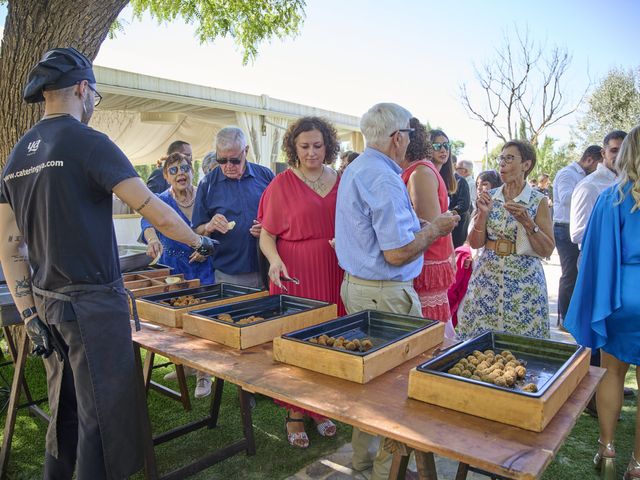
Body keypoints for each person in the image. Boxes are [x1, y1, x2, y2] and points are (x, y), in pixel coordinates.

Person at [0, 48, 216, 480]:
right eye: (94, 95)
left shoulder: (18, 155)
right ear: (83, 88)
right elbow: (152, 207)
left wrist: (28, 315)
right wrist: (197, 238)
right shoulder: (89, 143)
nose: (94, 103)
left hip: (46, 306)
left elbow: (8, 246)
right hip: (92, 306)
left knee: (66, 406)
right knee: (102, 414)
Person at [335, 103, 459, 480]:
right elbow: (396, 252)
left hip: (364, 289)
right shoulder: (383, 177)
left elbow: (381, 234)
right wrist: (435, 228)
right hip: (384, 293)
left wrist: (417, 226)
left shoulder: (361, 168)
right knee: (395, 390)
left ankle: (363, 461)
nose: (409, 141)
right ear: (397, 137)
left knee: (369, 384)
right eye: (407, 134)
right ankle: (389, 471)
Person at [258, 116, 343, 448]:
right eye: (304, 146)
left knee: (330, 336)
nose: (311, 153)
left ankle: (319, 407)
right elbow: (267, 235)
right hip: (295, 273)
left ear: (328, 146)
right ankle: (295, 413)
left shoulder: (341, 180)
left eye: (318, 146)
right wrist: (275, 259)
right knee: (297, 340)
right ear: (294, 148)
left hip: (334, 270)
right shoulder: (281, 183)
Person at [564, 125, 640, 480]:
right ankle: (637, 465)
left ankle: (606, 450)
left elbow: (592, 255)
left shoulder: (611, 198)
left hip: (619, 296)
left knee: (612, 372)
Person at [457, 140, 555, 340]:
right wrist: (482, 215)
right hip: (487, 279)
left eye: (509, 158)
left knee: (522, 344)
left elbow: (547, 250)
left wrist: (528, 223)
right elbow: (475, 243)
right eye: (501, 158)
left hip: (524, 282)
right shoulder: (489, 197)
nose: (502, 163)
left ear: (526, 165)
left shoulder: (538, 201)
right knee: (480, 343)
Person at [141, 152, 215, 398]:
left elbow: (214, 228)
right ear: (166, 176)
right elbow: (147, 223)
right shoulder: (160, 200)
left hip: (204, 268)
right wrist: (152, 240)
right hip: (175, 270)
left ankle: (204, 374)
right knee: (177, 323)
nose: (180, 173)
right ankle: (184, 365)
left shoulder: (205, 196)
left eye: (184, 168)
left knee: (202, 320)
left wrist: (205, 248)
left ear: (192, 170)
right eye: (173, 171)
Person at [192, 127, 274, 288]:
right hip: (229, 273)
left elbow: (285, 216)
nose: (228, 166)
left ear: (246, 151)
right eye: (222, 160)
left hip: (268, 267)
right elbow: (196, 231)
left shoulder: (266, 176)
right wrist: (209, 226)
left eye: (235, 160)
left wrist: (268, 228)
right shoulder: (207, 184)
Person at [400, 118, 455, 329]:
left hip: (426, 264)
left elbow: (431, 229)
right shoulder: (420, 170)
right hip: (423, 261)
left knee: (426, 331)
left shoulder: (419, 173)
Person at [551, 144, 601, 329]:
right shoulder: (568, 173)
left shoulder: (584, 176)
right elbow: (565, 197)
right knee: (570, 273)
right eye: (597, 165)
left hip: (577, 228)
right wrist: (589, 191)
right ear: (589, 159)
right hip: (564, 228)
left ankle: (573, 317)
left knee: (578, 274)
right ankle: (564, 318)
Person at [447, 170, 503, 327]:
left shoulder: (497, 209)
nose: (480, 188)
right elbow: (469, 238)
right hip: (471, 265)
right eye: (478, 185)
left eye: (484, 184)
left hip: (484, 267)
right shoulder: (477, 208)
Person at [570, 132, 626, 249]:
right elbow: (577, 234)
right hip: (597, 257)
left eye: (624, 151)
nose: (620, 156)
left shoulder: (626, 182)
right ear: (603, 153)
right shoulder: (589, 186)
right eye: (614, 150)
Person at [430, 131, 471, 248]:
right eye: (437, 146)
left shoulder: (458, 180)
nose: (443, 150)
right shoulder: (424, 174)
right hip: (431, 241)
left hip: (454, 234)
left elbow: (465, 205)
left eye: (446, 145)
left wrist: (451, 214)